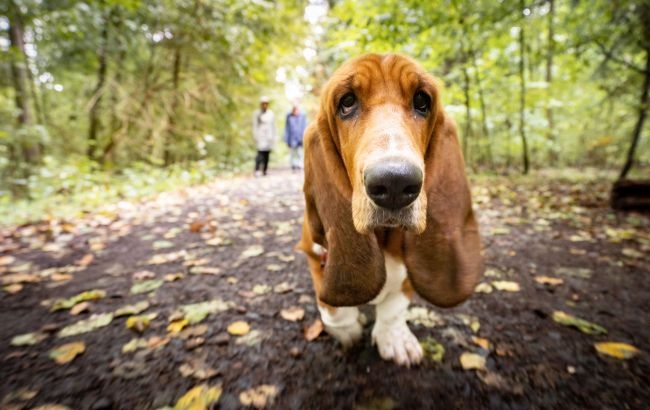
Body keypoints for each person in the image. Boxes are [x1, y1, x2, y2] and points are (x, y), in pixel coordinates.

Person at [252, 96, 276, 176]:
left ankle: (265, 170)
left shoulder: (271, 113)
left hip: (268, 136)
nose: (264, 105)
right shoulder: (257, 113)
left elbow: (273, 126)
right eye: (263, 103)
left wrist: (273, 136)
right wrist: (255, 136)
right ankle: (257, 169)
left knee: (267, 154)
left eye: (266, 103)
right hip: (261, 136)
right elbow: (255, 125)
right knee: (260, 153)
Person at [284, 104, 307, 170]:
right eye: (295, 110)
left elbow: (304, 126)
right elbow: (287, 128)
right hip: (292, 138)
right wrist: (286, 139)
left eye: (297, 110)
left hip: (300, 137)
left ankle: (300, 165)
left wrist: (304, 136)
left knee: (300, 152)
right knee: (293, 153)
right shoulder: (289, 117)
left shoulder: (302, 116)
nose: (296, 112)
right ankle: (293, 165)